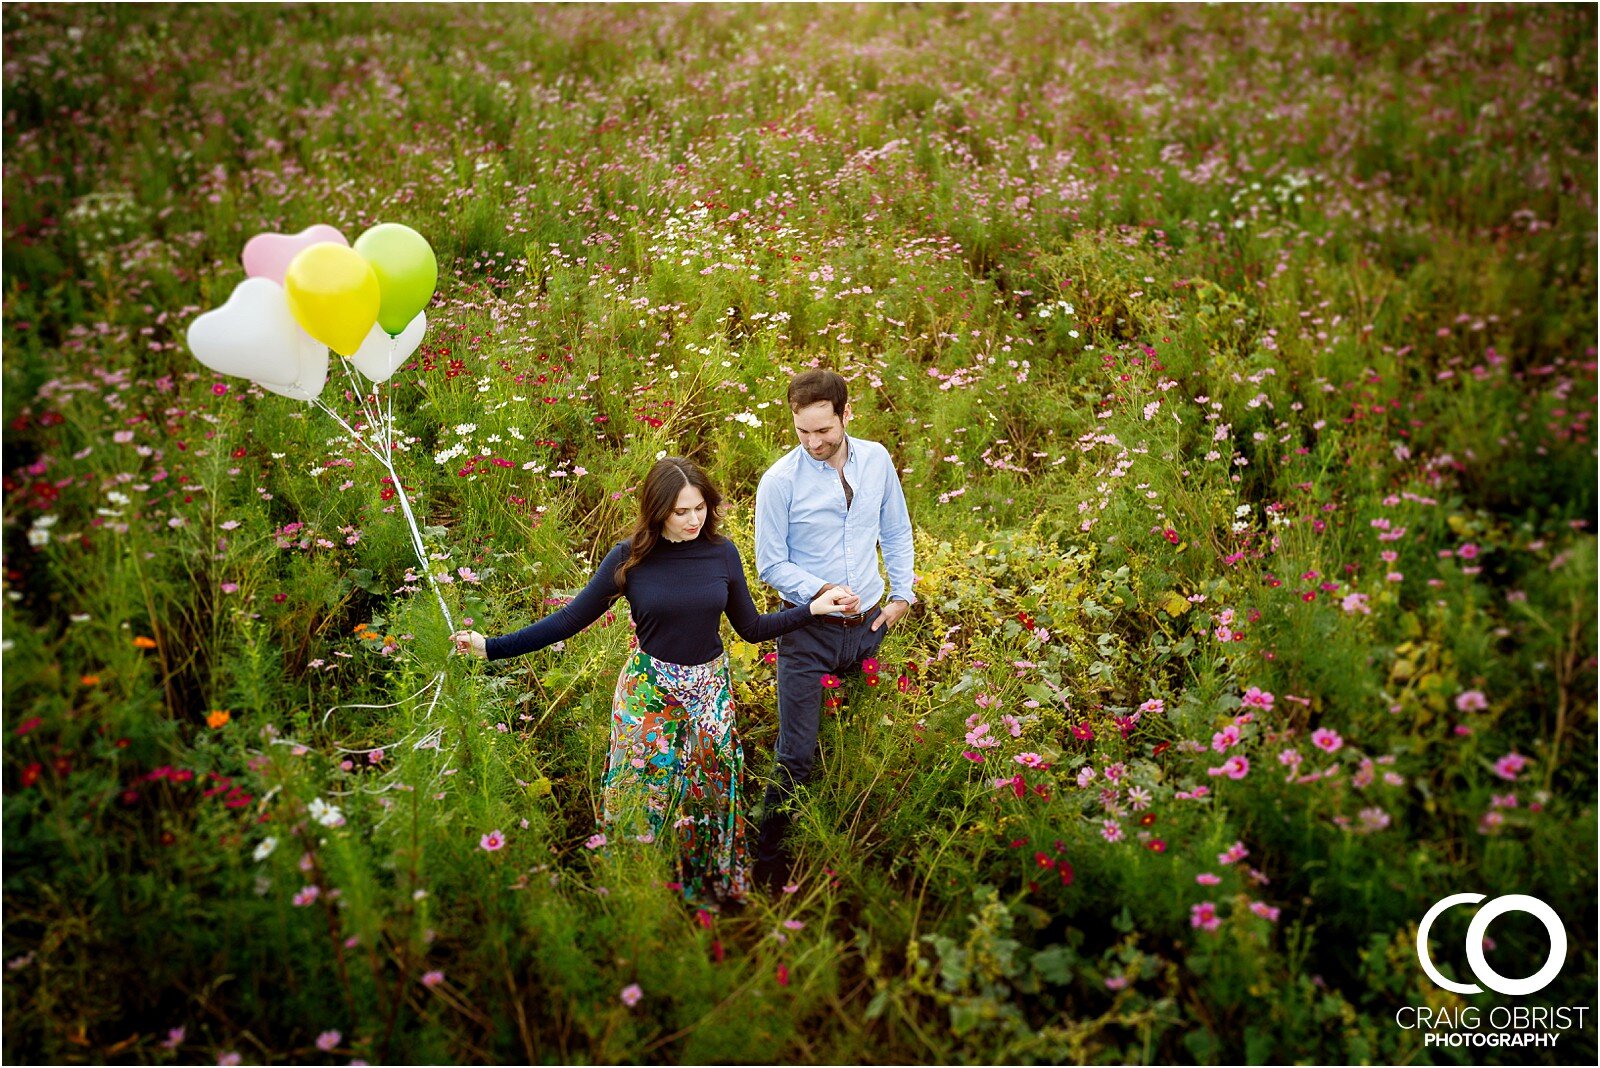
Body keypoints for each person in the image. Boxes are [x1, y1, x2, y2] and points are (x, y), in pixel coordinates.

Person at [450, 457, 854, 907]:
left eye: (700, 508)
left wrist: (813, 609)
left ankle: (705, 895)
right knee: (641, 796)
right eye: (681, 512)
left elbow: (750, 628)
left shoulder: (722, 553)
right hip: (649, 692)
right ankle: (636, 892)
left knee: (709, 796)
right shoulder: (630, 558)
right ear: (657, 509)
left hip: (709, 693)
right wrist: (491, 647)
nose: (693, 520)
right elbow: (569, 619)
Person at [752, 369, 916, 893]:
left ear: (847, 414)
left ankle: (854, 842)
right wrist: (818, 592)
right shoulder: (780, 481)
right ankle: (768, 868)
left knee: (864, 741)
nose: (814, 442)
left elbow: (895, 528)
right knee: (797, 753)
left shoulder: (877, 459)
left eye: (823, 430)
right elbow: (770, 564)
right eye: (803, 432)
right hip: (808, 634)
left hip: (870, 626)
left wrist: (902, 596)